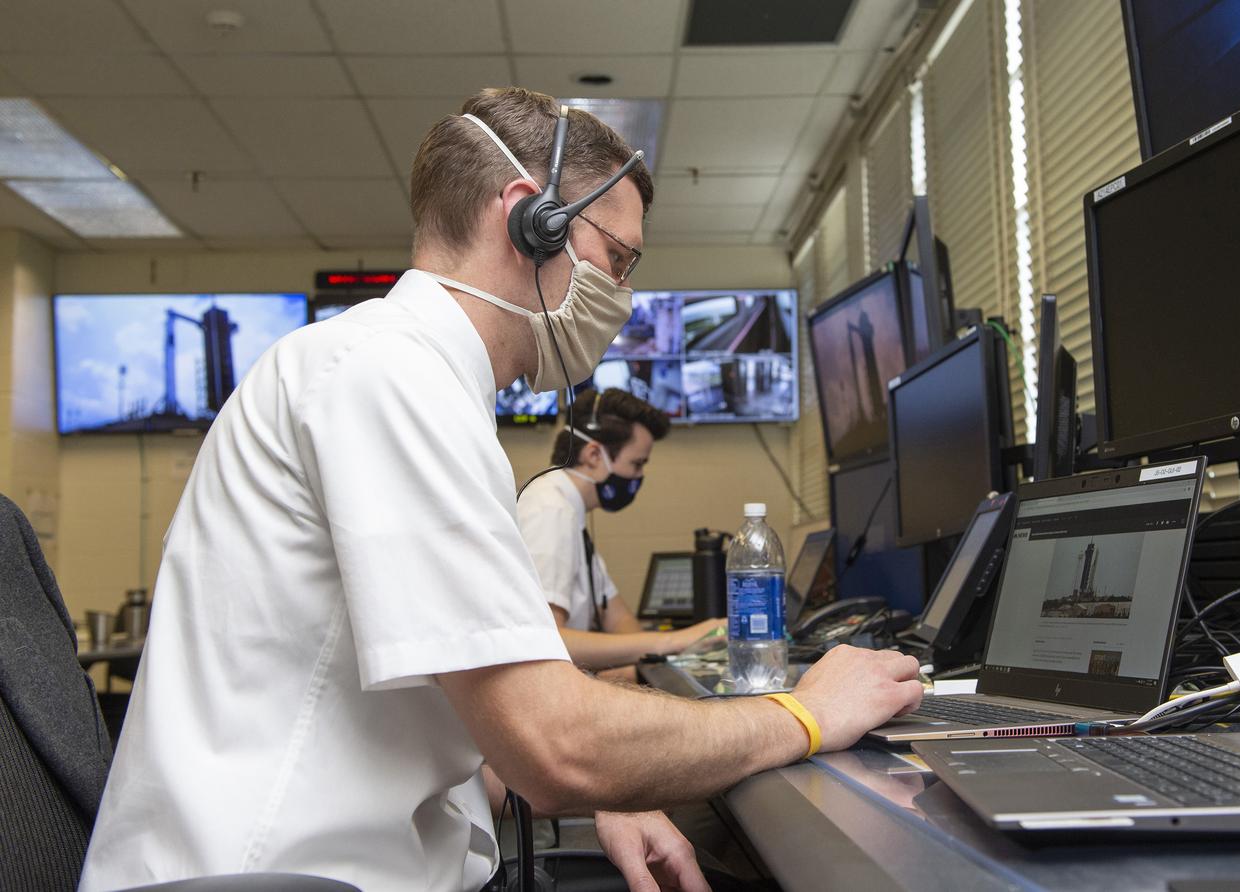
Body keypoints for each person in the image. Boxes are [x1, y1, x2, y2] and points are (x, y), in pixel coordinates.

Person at [79, 87, 922, 892]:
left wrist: (607, 792)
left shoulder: (408, 378)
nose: (622, 297)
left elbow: (457, 716)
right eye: (616, 259)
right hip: (279, 877)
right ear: (531, 219)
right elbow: (553, 745)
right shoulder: (387, 377)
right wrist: (807, 715)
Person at [518, 388, 724, 677]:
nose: (639, 477)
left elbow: (617, 618)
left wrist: (655, 662)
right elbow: (545, 640)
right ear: (592, 455)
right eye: (636, 464)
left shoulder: (569, 511)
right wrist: (675, 642)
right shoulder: (550, 511)